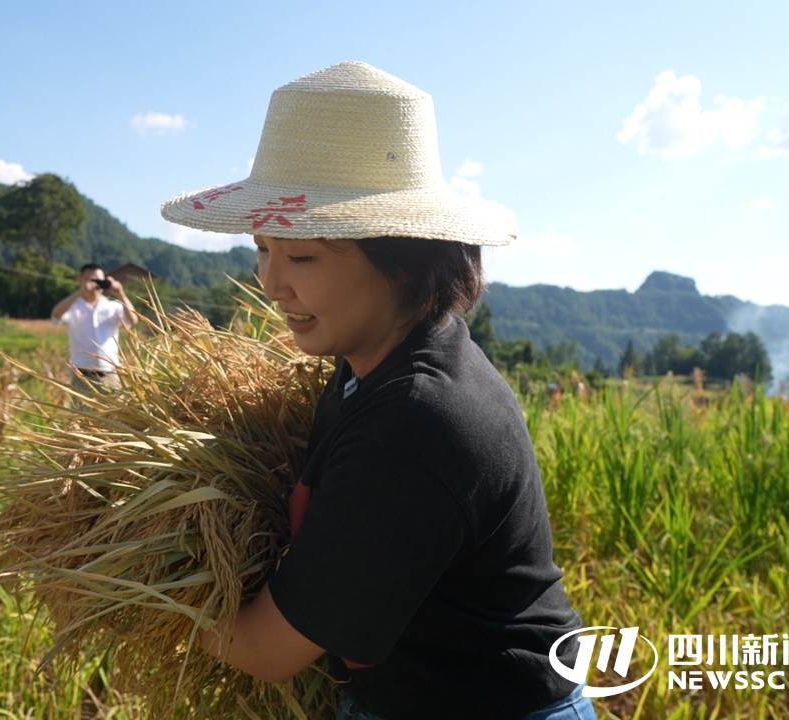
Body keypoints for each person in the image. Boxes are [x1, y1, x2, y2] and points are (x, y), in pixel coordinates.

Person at [159, 62, 595, 719]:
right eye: (263, 249)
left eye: (301, 256)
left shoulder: (417, 421)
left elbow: (263, 650)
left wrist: (143, 588)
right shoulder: (370, 365)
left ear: (403, 262)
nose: (271, 284)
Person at [50, 263, 138, 394]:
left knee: (114, 406)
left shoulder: (113, 306)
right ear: (80, 280)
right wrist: (81, 292)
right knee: (82, 408)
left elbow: (133, 320)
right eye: (90, 279)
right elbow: (56, 315)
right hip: (82, 376)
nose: (95, 284)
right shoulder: (73, 306)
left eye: (99, 280)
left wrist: (121, 293)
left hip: (110, 374)